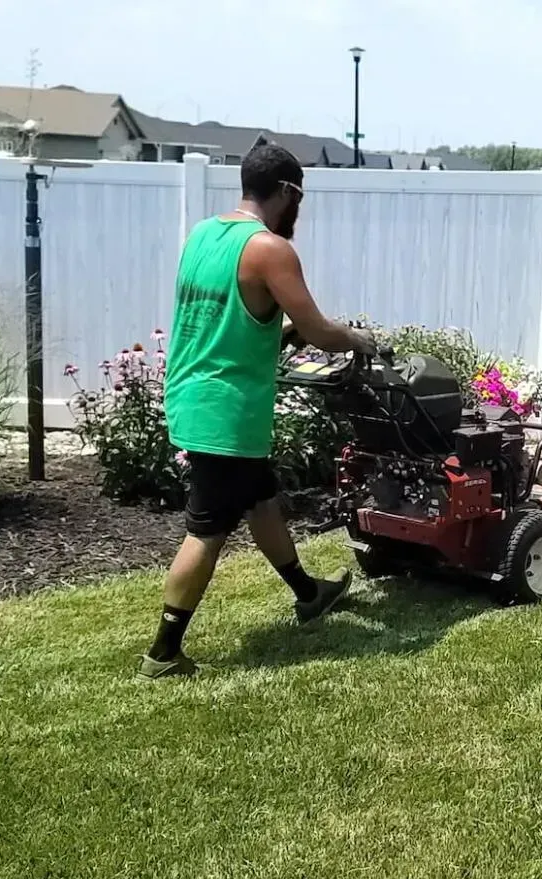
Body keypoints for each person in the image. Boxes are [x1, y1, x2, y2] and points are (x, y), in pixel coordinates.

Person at [142, 143, 378, 679]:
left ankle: (309, 593)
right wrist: (357, 340)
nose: (300, 210)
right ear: (288, 192)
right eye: (300, 198)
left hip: (193, 395)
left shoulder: (204, 234)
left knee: (262, 498)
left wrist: (279, 333)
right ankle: (163, 652)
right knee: (207, 529)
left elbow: (230, 317)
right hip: (225, 413)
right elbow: (319, 328)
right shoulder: (270, 248)